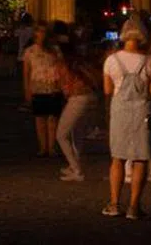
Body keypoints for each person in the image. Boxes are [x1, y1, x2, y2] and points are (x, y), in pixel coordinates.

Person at [102, 18, 151, 220]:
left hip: (120, 110)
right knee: (141, 158)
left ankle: (114, 204)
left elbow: (107, 90)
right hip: (143, 110)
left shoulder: (111, 60)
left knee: (118, 158)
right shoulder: (149, 61)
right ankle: (134, 207)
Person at [55, 39, 100, 181]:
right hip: (90, 97)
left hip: (77, 98)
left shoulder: (63, 65)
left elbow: (65, 87)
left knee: (61, 135)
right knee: (76, 133)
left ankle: (76, 169)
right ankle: (74, 164)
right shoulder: (79, 63)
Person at [23, 24, 64, 157]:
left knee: (52, 119)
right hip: (37, 86)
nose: (41, 35)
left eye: (43, 32)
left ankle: (51, 147)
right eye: (39, 32)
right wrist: (27, 89)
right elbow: (26, 72)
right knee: (40, 118)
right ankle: (42, 147)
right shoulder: (29, 52)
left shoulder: (55, 50)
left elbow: (61, 67)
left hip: (53, 86)